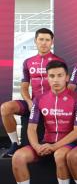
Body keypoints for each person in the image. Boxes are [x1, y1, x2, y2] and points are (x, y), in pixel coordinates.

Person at [8, 60, 77, 184]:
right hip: (45, 142)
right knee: (18, 157)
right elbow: (31, 128)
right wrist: (36, 146)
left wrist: (55, 146)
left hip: (67, 144)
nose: (56, 79)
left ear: (67, 77)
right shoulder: (40, 99)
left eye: (60, 75)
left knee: (60, 155)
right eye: (52, 76)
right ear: (47, 78)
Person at [1, 28, 63, 157]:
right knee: (6, 108)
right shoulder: (27, 62)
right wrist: (29, 102)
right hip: (33, 103)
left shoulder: (58, 62)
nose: (44, 43)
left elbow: (61, 87)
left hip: (50, 105)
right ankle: (14, 144)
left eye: (47, 40)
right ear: (35, 41)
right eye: (41, 39)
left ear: (52, 42)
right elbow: (24, 87)